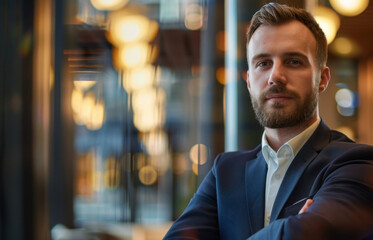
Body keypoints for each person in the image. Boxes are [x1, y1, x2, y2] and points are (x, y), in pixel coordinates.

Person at [163, 2, 373, 239]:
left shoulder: (356, 163)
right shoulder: (225, 172)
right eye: (263, 63)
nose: (275, 76)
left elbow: (303, 233)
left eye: (294, 61)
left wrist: (296, 230)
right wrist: (289, 229)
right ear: (249, 81)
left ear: (322, 79)